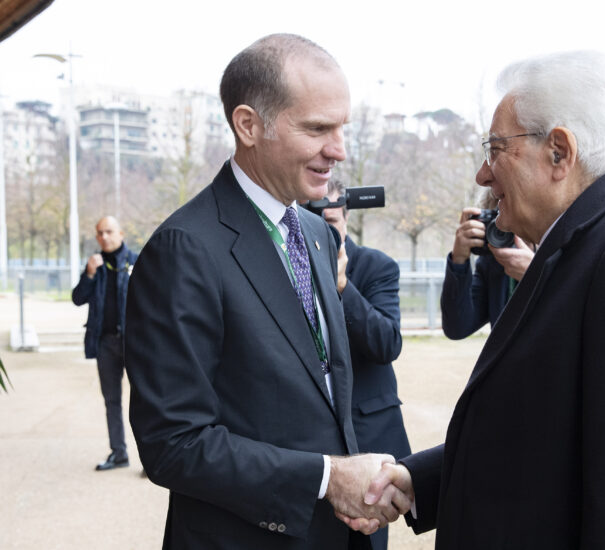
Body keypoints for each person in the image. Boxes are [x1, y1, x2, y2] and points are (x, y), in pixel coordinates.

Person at [361, 50, 605, 548]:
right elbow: (545, 433)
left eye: (495, 149)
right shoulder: (583, 245)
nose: (483, 176)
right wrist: (419, 479)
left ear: (559, 152)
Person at [124, 34, 407, 549]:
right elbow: (173, 444)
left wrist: (354, 481)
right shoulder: (183, 249)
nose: (339, 150)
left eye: (342, 127)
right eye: (318, 128)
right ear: (248, 125)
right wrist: (326, 478)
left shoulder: (318, 234)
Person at [321, 179, 412, 550]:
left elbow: (387, 344)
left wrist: (342, 285)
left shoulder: (377, 266)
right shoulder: (285, 267)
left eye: (329, 222)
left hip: (367, 438)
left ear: (345, 217)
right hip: (309, 444)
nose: (321, 234)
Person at [71, 216, 138, 471]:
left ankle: (150, 458)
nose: (104, 237)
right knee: (112, 400)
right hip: (105, 343)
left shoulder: (136, 261)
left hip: (134, 344)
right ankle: (119, 453)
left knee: (144, 400)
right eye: (99, 233)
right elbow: (78, 299)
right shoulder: (95, 266)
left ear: (120, 233)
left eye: (109, 231)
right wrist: (88, 273)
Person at [441, 189, 535, 339]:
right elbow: (457, 327)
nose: (506, 227)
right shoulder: (494, 261)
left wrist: (536, 275)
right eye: (497, 219)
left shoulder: (562, 252)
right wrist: (459, 259)